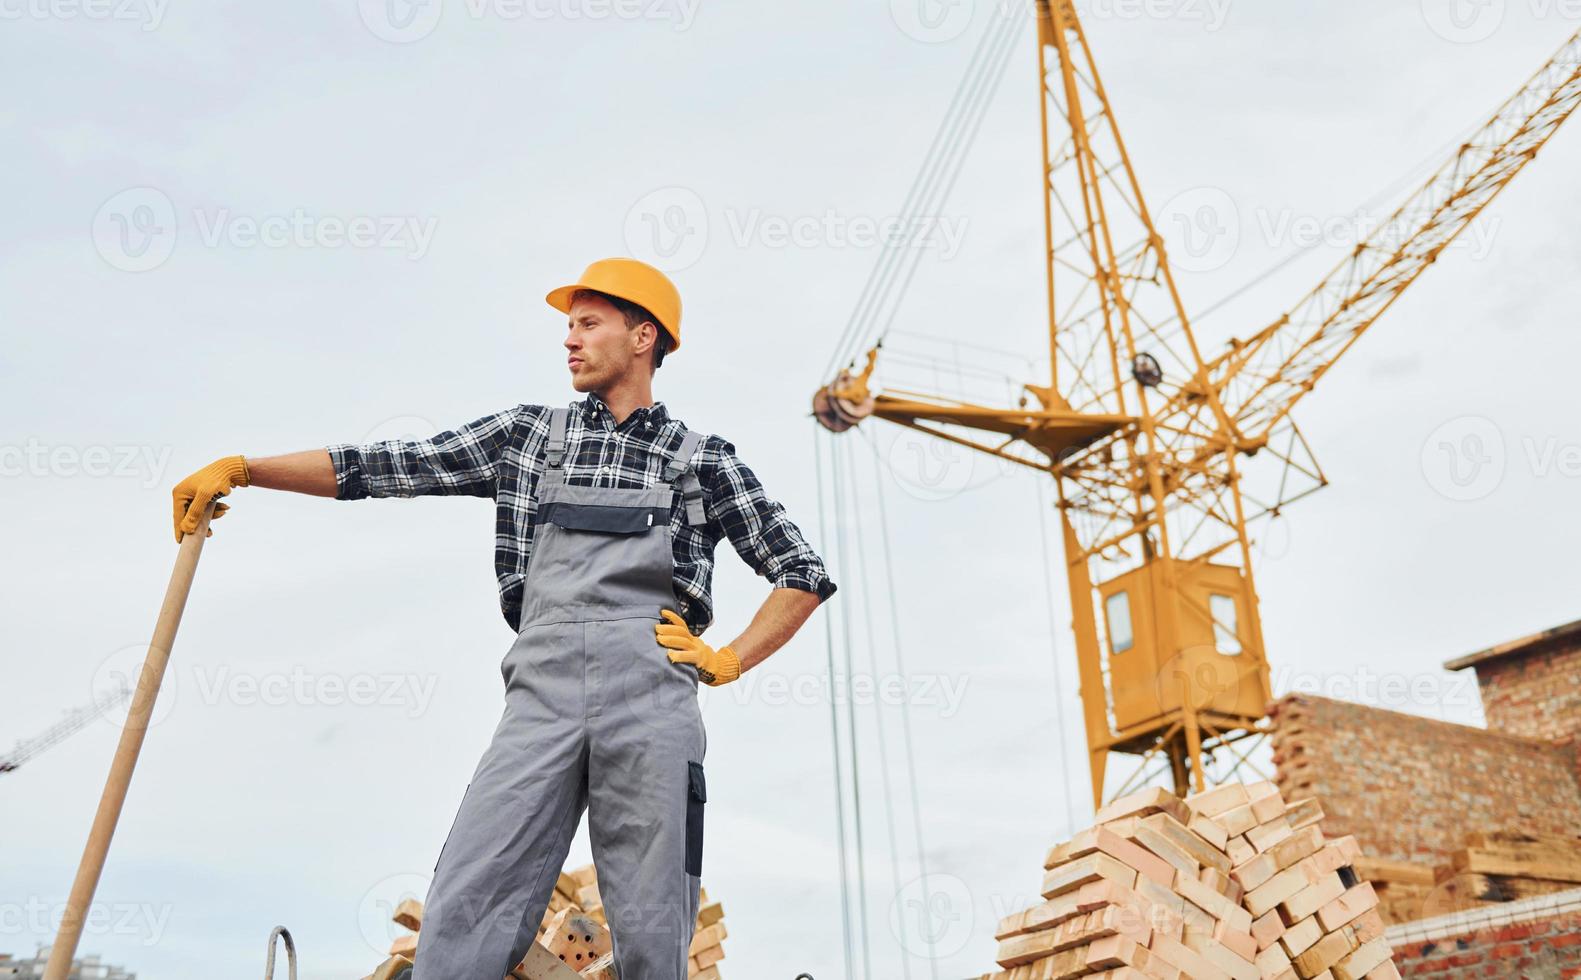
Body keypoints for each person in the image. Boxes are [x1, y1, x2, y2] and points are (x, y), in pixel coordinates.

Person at [170, 257, 837, 979]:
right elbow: (392, 465)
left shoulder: (702, 462)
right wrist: (245, 469)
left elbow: (800, 571)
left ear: (643, 336)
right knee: (468, 897)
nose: (569, 341)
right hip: (541, 698)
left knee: (652, 924)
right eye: (568, 327)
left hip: (651, 698)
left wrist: (730, 656)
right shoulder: (525, 438)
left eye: (588, 324)